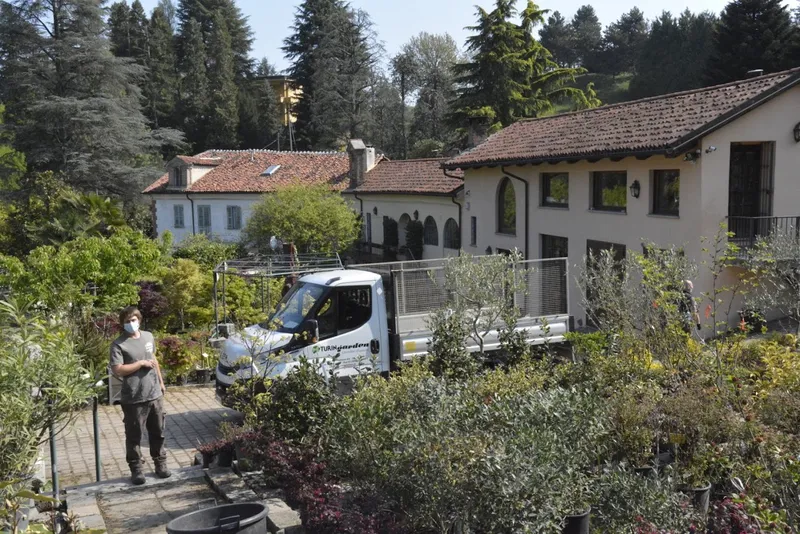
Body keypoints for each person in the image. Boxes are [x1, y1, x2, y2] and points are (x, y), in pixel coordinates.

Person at [109, 306, 170, 485]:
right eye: (127, 321)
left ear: (139, 320)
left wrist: (160, 381)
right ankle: (136, 469)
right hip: (134, 397)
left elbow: (154, 358)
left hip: (154, 394)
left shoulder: (148, 336)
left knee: (158, 431)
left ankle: (161, 464)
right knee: (134, 435)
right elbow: (118, 369)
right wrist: (140, 363)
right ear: (122, 324)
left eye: (133, 320)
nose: (131, 324)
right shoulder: (119, 344)